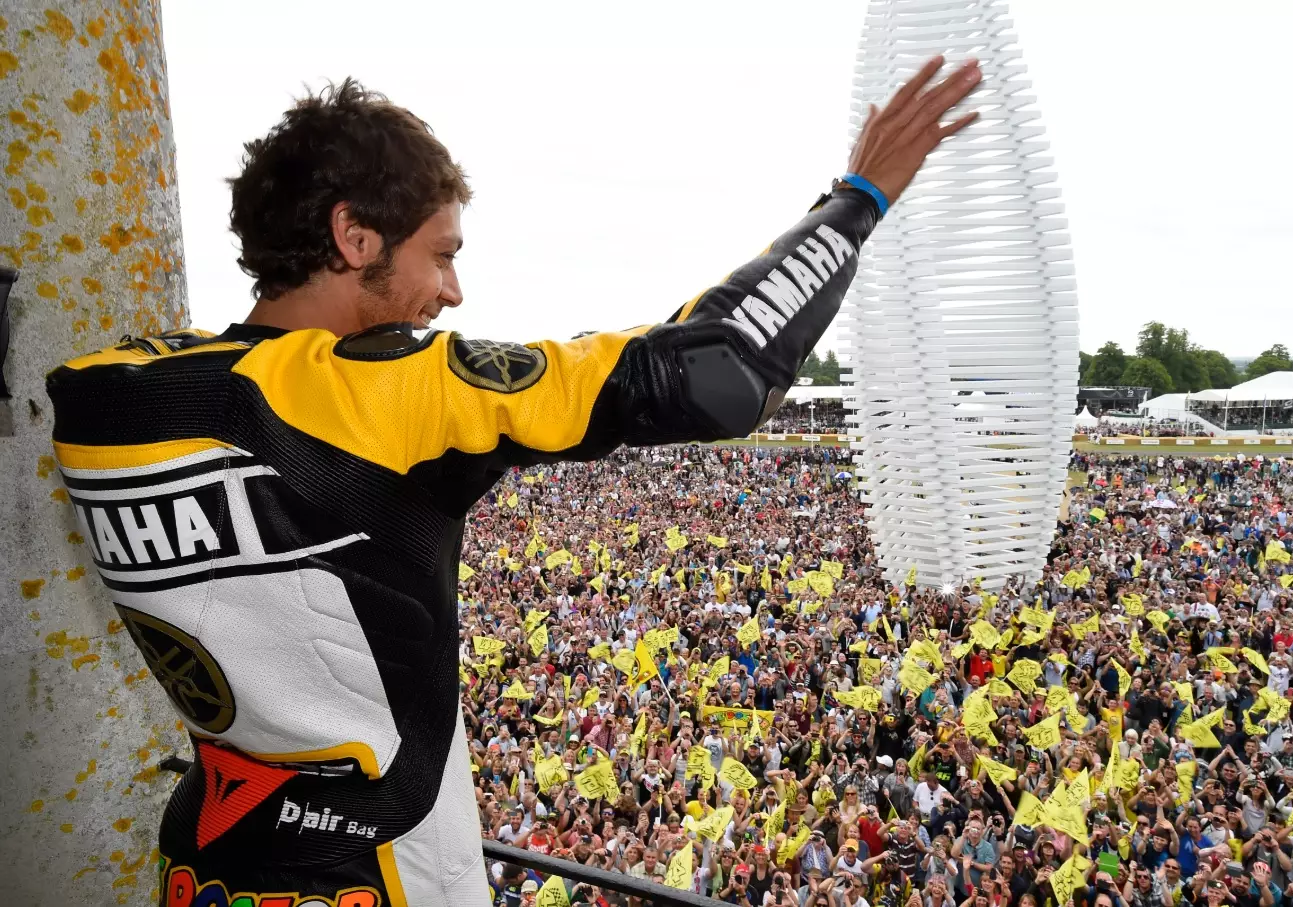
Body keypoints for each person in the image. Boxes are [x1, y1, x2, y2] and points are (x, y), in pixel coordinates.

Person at [45, 59, 983, 906]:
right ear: (354, 236)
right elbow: (717, 370)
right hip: (396, 870)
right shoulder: (378, 392)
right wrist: (859, 196)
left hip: (207, 861)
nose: (452, 293)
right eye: (442, 252)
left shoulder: (98, 394)